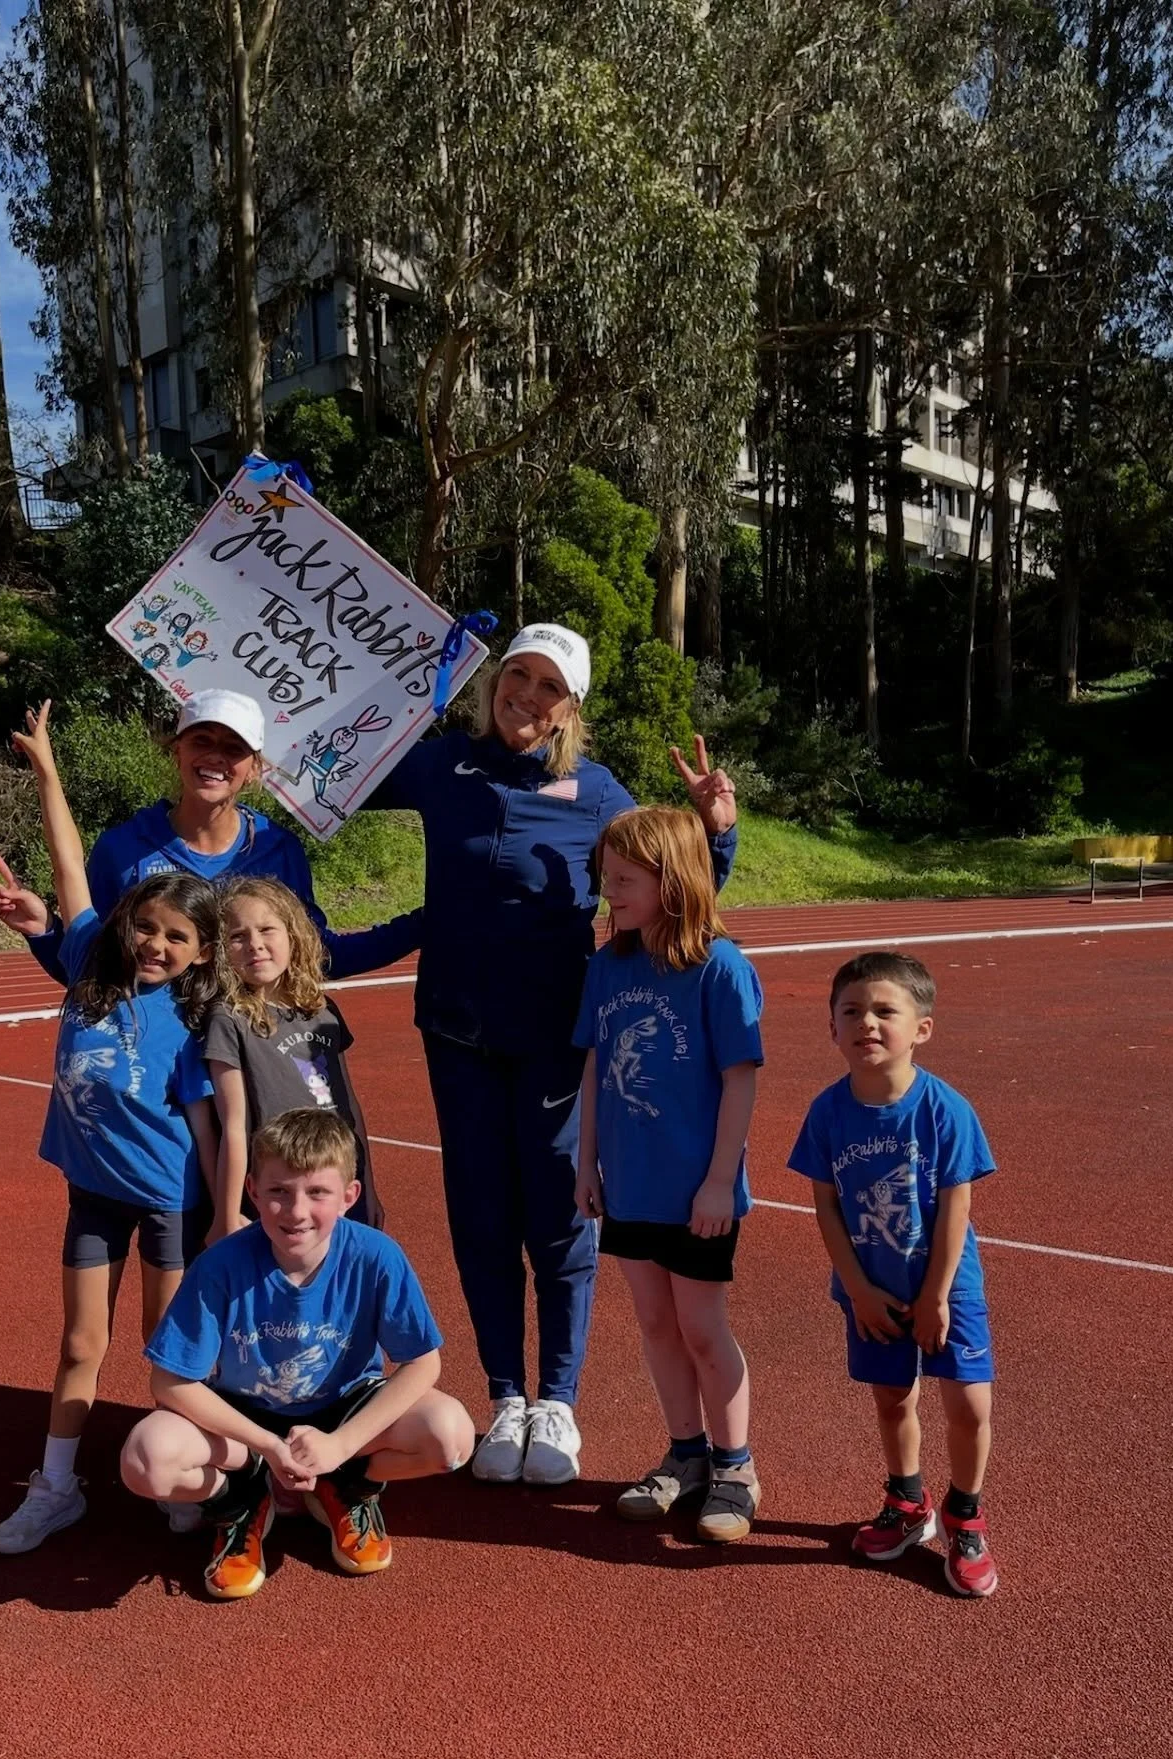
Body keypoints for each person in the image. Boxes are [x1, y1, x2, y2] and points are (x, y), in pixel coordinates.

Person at [356, 621, 738, 1486]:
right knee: (480, 1214)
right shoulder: (440, 764)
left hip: (557, 1039)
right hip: (455, 1032)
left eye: (548, 687)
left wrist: (715, 835)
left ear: (572, 706)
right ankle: (505, 1397)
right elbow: (332, 772)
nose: (525, 696)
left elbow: (670, 885)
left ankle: (558, 1401)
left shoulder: (598, 791)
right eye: (515, 676)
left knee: (558, 1217)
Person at [0, 703, 222, 1555]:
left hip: (168, 1205)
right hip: (93, 1195)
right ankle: (56, 1487)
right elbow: (70, 863)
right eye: (145, 925)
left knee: (167, 1350)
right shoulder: (87, 960)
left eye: (176, 936)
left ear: (199, 952)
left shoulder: (198, 1015)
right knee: (81, 1341)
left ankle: (178, 1480)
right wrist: (47, 772)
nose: (154, 943)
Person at [120, 1109, 474, 1599]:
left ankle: (345, 1485)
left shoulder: (376, 1255)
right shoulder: (220, 1265)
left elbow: (423, 1363)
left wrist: (342, 1445)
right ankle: (239, 1500)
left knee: (450, 1436)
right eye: (279, 1192)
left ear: (349, 1197)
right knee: (145, 1460)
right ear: (253, 1192)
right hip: (245, 1422)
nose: (296, 1211)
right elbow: (169, 1382)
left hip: (342, 1411)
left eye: (317, 1193)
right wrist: (266, 1445)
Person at [572, 808, 765, 1543]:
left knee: (702, 1327)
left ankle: (735, 1466)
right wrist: (586, 1159)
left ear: (671, 880)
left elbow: (740, 1079)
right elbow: (593, 1065)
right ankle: (684, 1454)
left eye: (624, 880)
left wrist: (720, 1181)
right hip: (630, 1183)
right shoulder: (607, 964)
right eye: (606, 878)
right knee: (655, 1323)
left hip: (697, 1193)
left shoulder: (720, 966)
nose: (608, 892)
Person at [786, 951, 999, 1599]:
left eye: (885, 1011)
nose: (868, 1023)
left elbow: (957, 1206)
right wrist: (854, 1287)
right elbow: (823, 1204)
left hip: (944, 1285)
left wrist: (936, 1294)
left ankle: (965, 1514)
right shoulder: (827, 1113)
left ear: (921, 1028)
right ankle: (908, 1503)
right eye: (851, 1011)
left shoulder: (945, 1110)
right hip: (869, 1284)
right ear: (832, 1029)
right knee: (892, 1398)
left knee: (968, 1403)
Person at [0, 688, 421, 985]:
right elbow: (94, 968)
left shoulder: (279, 850)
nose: (215, 757)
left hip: (246, 1064)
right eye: (201, 741)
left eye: (233, 749)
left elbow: (315, 958)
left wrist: (426, 922)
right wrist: (42, 931)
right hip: (159, 1073)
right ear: (177, 750)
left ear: (255, 768)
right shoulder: (122, 849)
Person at [203, 874, 381, 1241]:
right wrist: (226, 1212)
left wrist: (369, 1186)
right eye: (238, 937)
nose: (255, 945)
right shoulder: (229, 1018)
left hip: (336, 1176)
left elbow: (350, 1106)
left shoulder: (321, 1010)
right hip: (281, 1185)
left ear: (292, 936)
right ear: (222, 950)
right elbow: (233, 1126)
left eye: (267, 929)